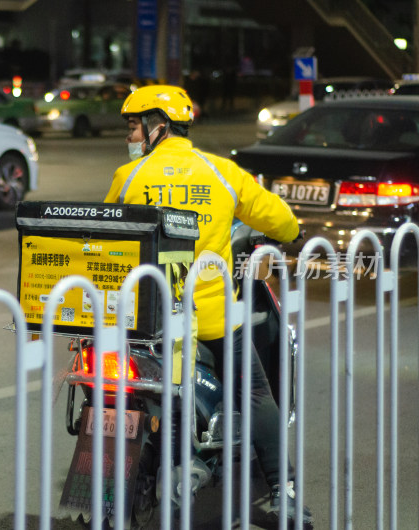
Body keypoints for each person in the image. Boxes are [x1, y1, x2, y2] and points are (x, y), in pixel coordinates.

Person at [104, 85, 313, 526]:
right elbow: (283, 221)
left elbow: (108, 236)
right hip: (212, 319)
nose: (131, 135)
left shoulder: (130, 177)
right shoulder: (221, 173)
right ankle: (283, 489)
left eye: (133, 126)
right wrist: (291, 231)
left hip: (145, 319)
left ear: (157, 127)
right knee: (256, 393)